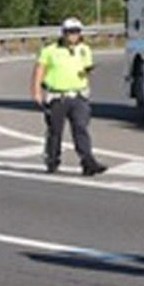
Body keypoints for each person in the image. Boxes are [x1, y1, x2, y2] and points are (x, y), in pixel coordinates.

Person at [31, 18, 107, 177]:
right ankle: (52, 160)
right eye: (70, 32)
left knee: (81, 128)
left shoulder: (84, 49)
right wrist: (36, 91)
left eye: (77, 32)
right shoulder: (50, 50)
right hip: (57, 96)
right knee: (55, 131)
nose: (74, 35)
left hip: (78, 95)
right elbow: (39, 70)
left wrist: (86, 72)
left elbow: (86, 68)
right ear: (64, 33)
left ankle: (88, 162)